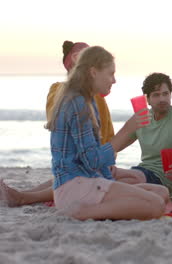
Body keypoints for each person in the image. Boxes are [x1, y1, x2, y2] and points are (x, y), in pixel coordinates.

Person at [0, 41, 132, 208]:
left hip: (96, 161)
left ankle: (25, 195)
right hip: (83, 166)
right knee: (72, 176)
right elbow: (62, 129)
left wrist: (133, 132)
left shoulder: (95, 96)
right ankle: (25, 197)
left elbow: (108, 136)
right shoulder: (68, 95)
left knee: (133, 178)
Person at [46, 46, 169, 220]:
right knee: (155, 206)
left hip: (87, 181)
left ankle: (98, 206)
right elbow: (92, 160)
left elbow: (94, 163)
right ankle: (81, 213)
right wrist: (127, 130)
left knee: (161, 192)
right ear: (94, 72)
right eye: (110, 74)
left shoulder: (89, 100)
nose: (114, 80)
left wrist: (110, 181)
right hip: (74, 187)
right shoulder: (77, 103)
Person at [111, 73, 172, 196]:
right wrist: (128, 126)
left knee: (120, 179)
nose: (162, 99)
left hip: (161, 181)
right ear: (147, 99)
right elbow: (113, 147)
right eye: (156, 95)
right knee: (109, 175)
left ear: (170, 95)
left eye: (165, 94)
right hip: (141, 172)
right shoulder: (142, 118)